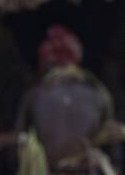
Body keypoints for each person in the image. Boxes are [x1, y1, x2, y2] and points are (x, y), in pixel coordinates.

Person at [16, 25, 113, 167]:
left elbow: (15, 149)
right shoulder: (99, 96)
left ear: (46, 63)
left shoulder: (34, 96)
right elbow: (113, 147)